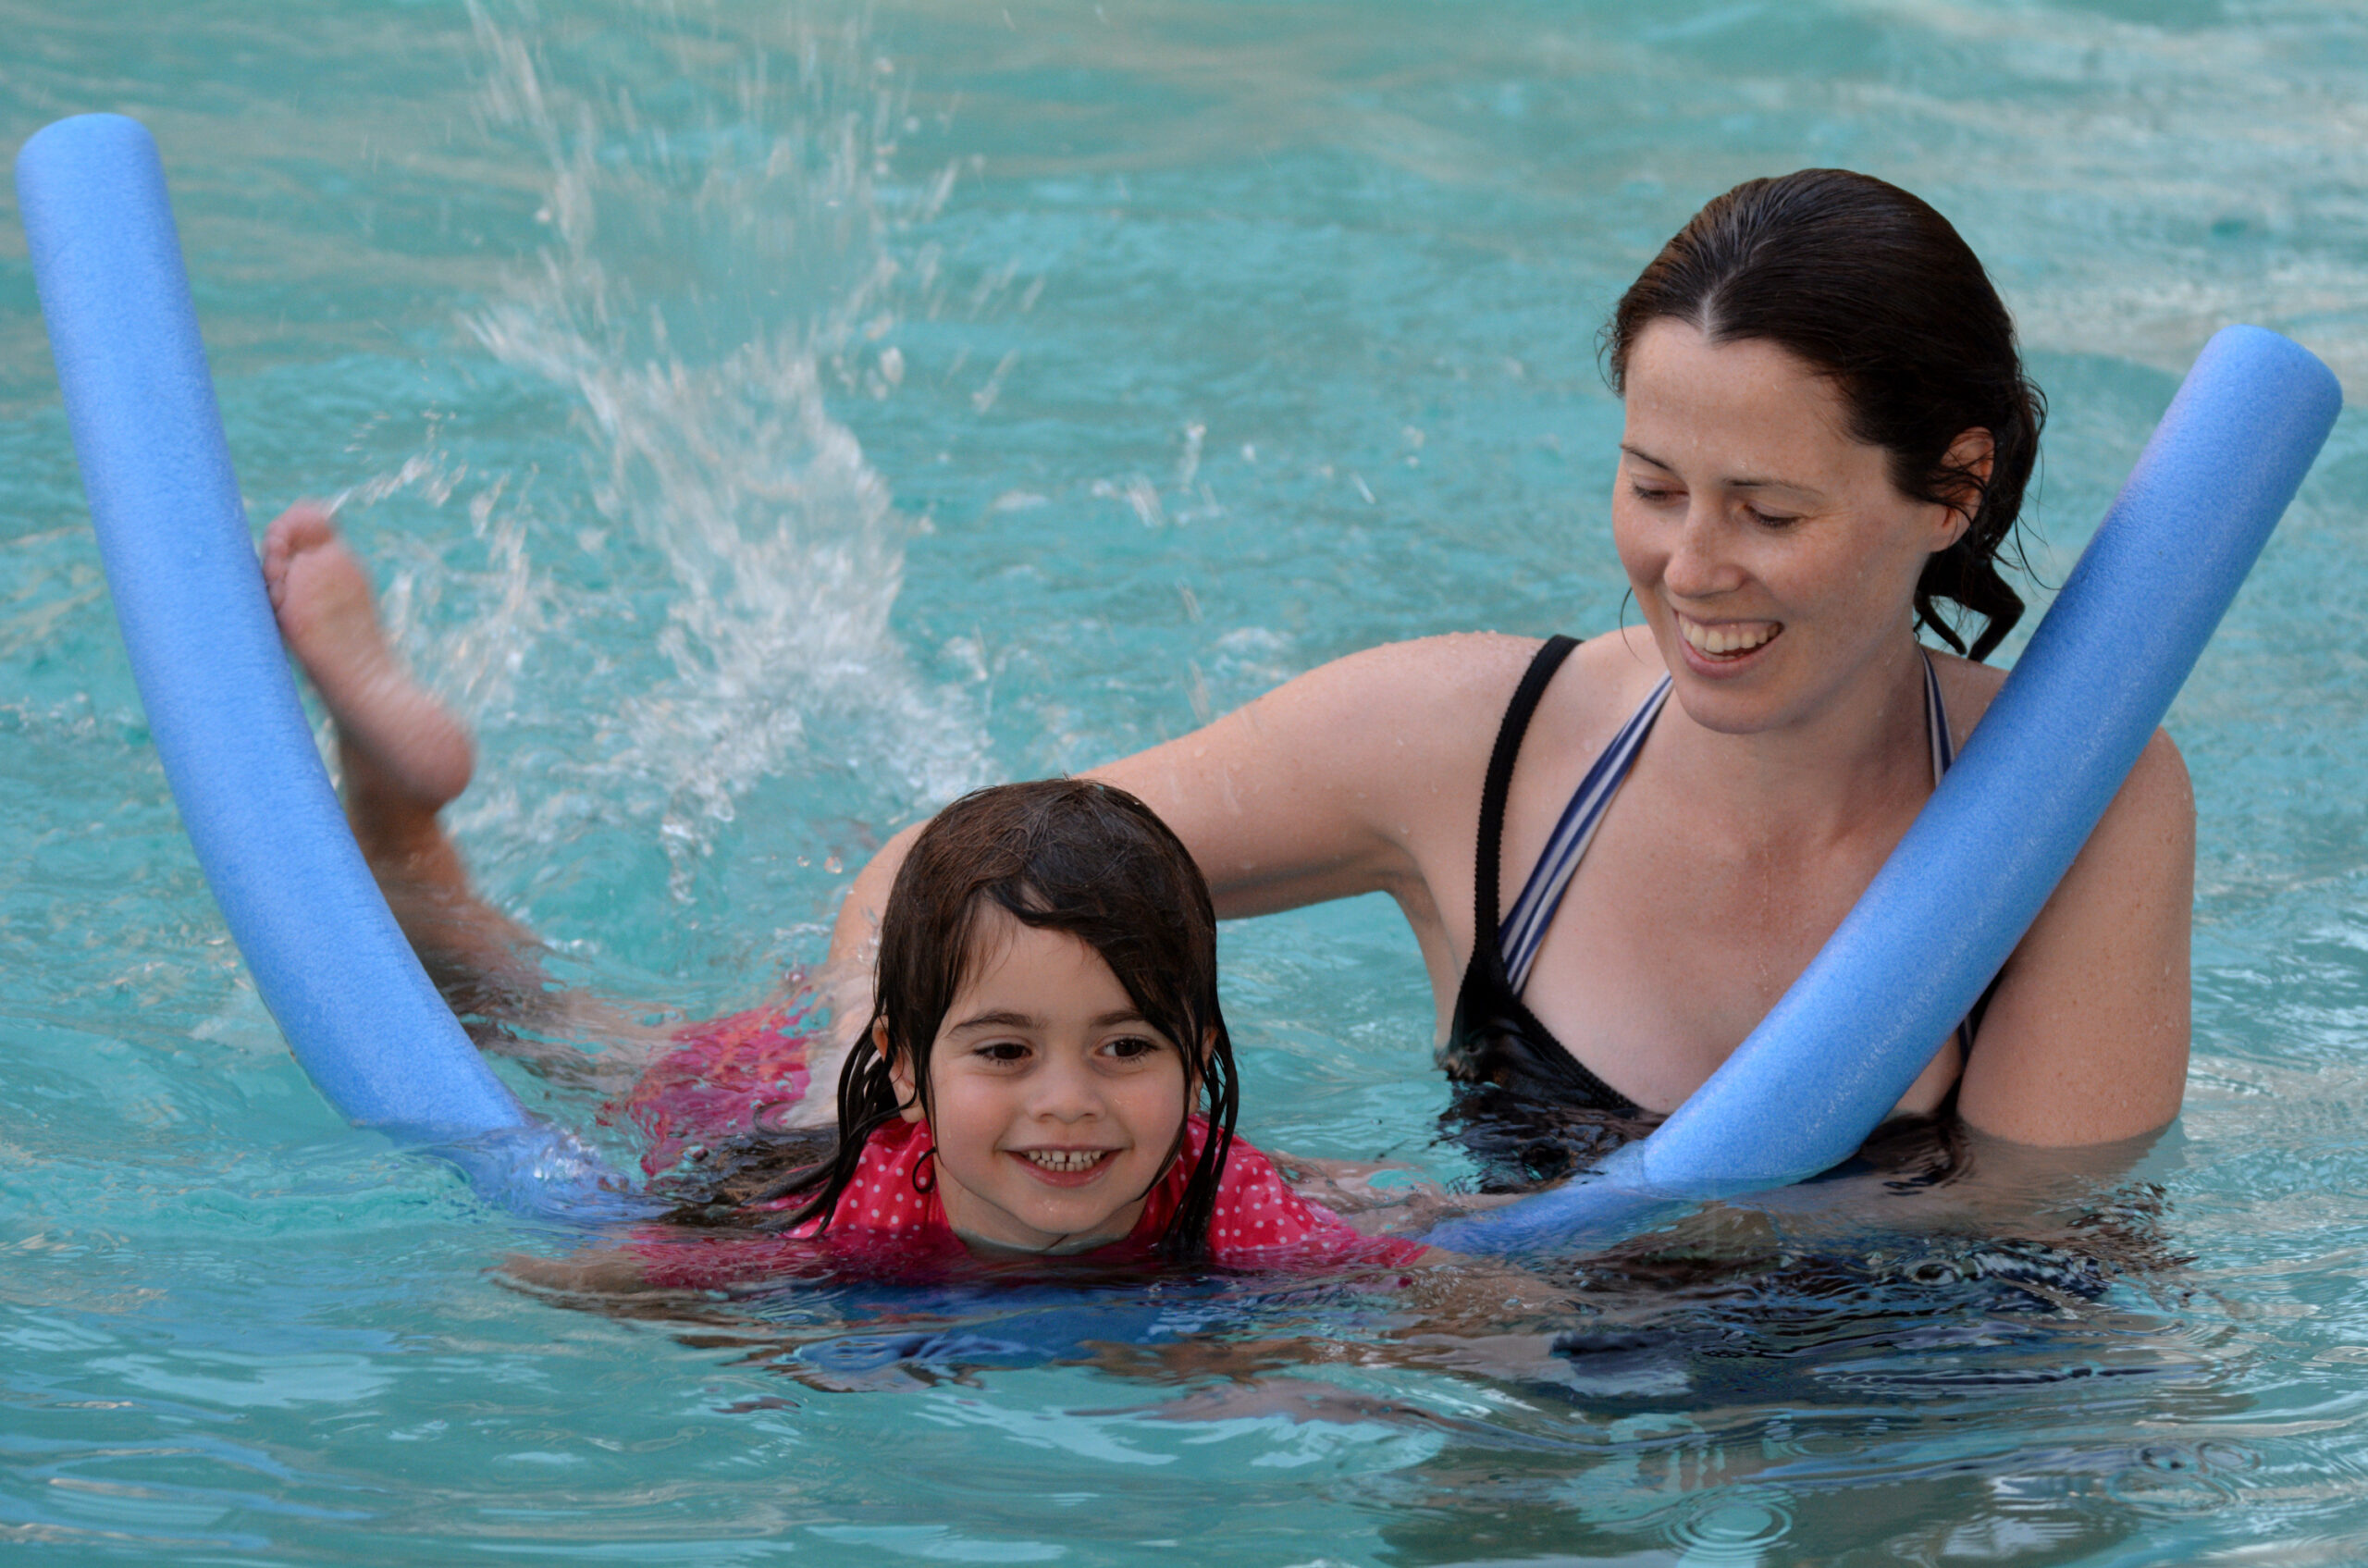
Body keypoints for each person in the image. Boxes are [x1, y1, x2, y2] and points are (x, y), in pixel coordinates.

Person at [823, 168, 2195, 1174]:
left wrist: (1507, 1266)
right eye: (1654, 487)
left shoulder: (2078, 794)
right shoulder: (1471, 749)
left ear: (1953, 489)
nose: (1693, 567)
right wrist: (849, 1133)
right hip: (1513, 1411)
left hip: (1896, 1409)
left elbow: (2030, 1228)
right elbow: (924, 874)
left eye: (1770, 512)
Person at [260, 513, 1431, 1277]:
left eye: (1125, 1046)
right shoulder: (833, 1223)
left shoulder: (1226, 1203)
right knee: (519, 1010)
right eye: (1006, 1053)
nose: (1068, 1101)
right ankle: (394, 798)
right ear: (912, 1068)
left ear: (1200, 1056)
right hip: (770, 1114)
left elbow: (1445, 1295)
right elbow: (580, 1275)